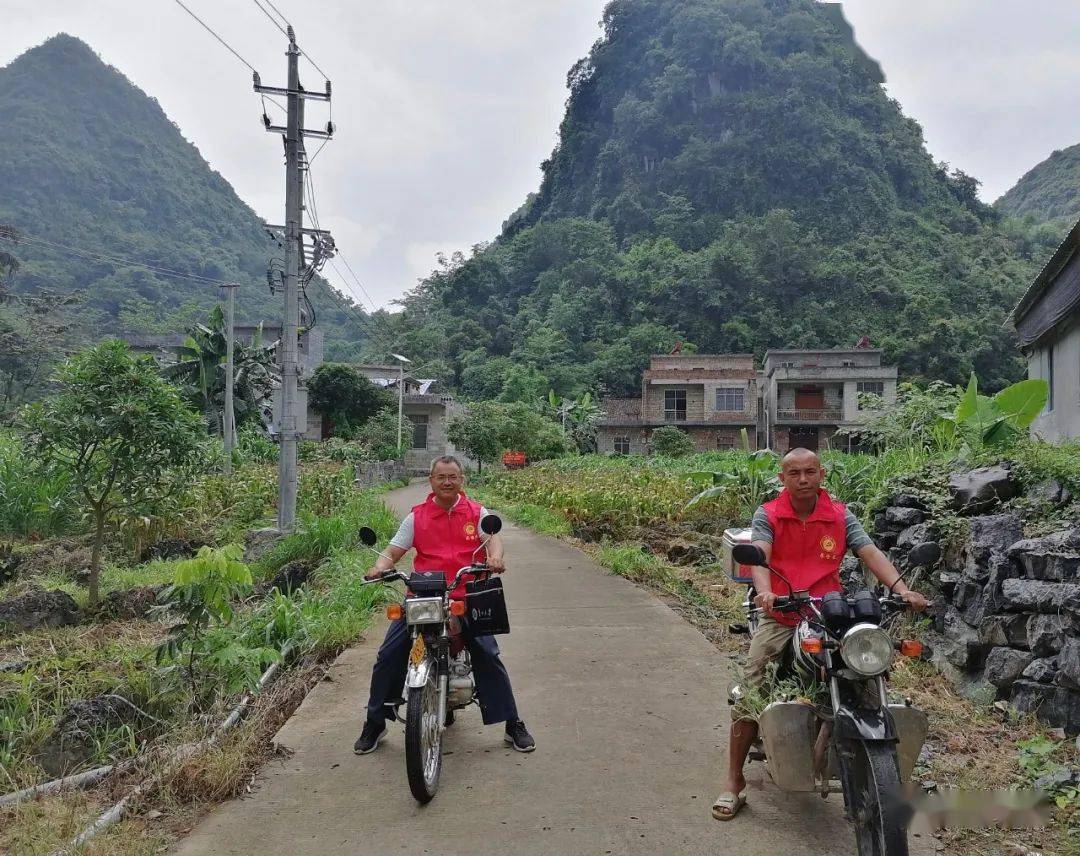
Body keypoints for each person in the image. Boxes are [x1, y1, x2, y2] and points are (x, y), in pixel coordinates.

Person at [712, 447, 928, 821]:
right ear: (782, 479)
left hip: (827, 610)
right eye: (793, 473)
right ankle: (733, 782)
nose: (803, 479)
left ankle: (877, 766)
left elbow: (869, 552)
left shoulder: (840, 515)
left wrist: (901, 589)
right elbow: (760, 554)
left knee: (865, 671)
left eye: (809, 472)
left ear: (821, 474)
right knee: (753, 685)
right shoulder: (769, 513)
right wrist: (764, 592)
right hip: (782, 611)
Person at [353, 455, 535, 755]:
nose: (447, 482)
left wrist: (495, 557)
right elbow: (393, 551)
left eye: (453, 476)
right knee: (388, 654)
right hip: (424, 596)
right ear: (431, 480)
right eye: (441, 477)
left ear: (461, 479)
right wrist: (379, 566)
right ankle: (375, 722)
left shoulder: (476, 512)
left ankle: (512, 723)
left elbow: (492, 540)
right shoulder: (417, 517)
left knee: (488, 653)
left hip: (467, 594)